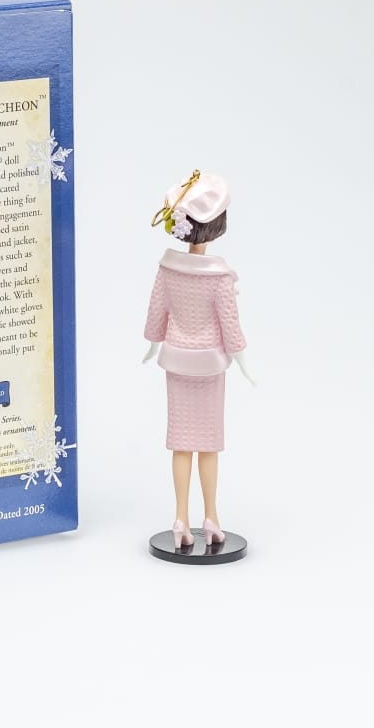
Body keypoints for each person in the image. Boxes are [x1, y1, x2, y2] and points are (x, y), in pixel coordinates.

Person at [143, 171, 251, 548]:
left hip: (176, 361)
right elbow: (229, 323)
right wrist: (242, 357)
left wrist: (152, 344)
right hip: (208, 366)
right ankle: (211, 516)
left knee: (180, 442)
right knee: (208, 443)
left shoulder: (168, 269)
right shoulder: (218, 277)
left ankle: (180, 518)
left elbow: (157, 310)